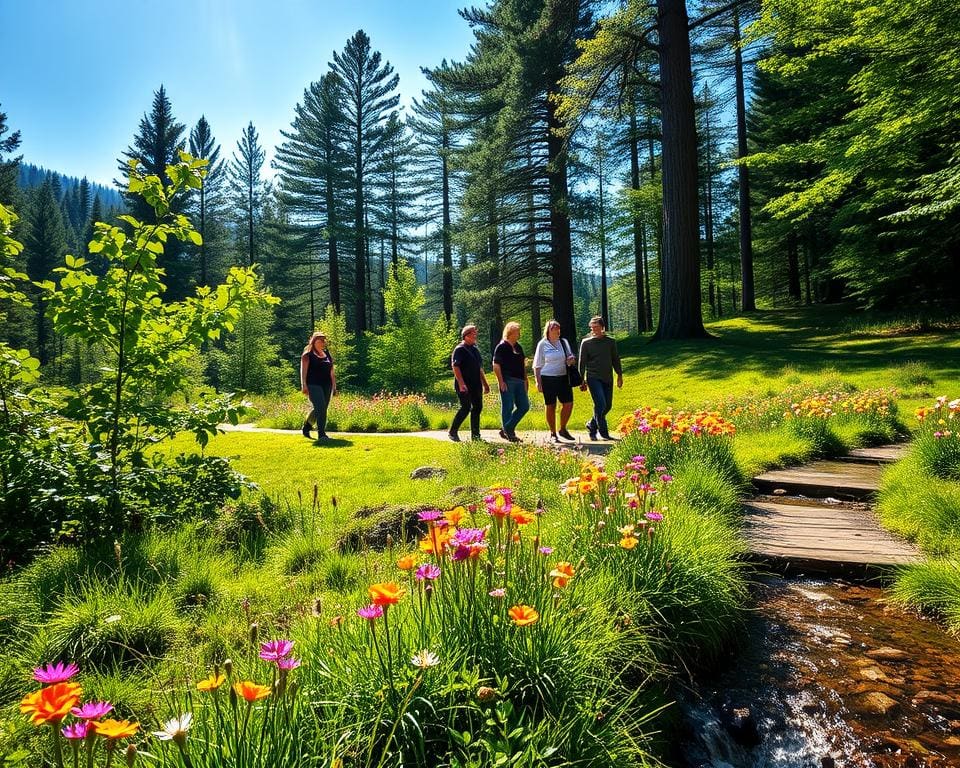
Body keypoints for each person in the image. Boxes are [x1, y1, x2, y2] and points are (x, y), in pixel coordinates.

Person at [578, 316, 623, 440]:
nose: (594, 330)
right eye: (592, 328)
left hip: (607, 377)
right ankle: (603, 433)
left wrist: (619, 375)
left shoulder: (610, 342)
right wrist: (581, 380)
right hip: (593, 377)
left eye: (596, 327)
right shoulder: (586, 343)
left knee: (607, 405)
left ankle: (591, 425)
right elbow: (582, 363)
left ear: (603, 327)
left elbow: (615, 359)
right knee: (600, 404)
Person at [533, 319, 577, 442]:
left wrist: (571, 359)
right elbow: (537, 365)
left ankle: (562, 429)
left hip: (563, 377)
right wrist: (538, 382)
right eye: (555, 328)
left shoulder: (563, 342)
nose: (558, 331)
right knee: (551, 405)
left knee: (568, 404)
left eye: (559, 328)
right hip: (548, 378)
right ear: (549, 330)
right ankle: (553, 433)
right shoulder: (542, 344)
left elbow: (570, 356)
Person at [449, 324, 490, 442]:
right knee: (466, 407)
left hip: (476, 384)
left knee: (477, 407)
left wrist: (485, 384)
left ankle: (476, 436)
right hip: (464, 385)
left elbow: (479, 368)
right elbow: (455, 366)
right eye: (473, 333)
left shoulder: (475, 350)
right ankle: (453, 431)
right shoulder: (460, 349)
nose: (475, 335)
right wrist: (461, 383)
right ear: (466, 335)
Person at [492, 321, 529, 442]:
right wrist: (501, 381)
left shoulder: (518, 347)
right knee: (507, 406)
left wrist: (525, 380)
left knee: (524, 406)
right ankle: (510, 433)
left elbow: (522, 365)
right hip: (507, 380)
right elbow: (496, 365)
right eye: (517, 331)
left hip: (519, 380)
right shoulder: (502, 346)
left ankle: (507, 428)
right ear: (510, 332)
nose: (519, 334)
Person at [300, 331, 336, 440]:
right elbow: (303, 370)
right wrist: (304, 385)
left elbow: (331, 371)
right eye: (320, 340)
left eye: (324, 341)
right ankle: (322, 434)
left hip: (327, 384)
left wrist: (334, 386)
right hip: (313, 384)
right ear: (314, 341)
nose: (322, 343)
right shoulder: (308, 354)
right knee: (320, 407)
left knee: (322, 408)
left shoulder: (327, 354)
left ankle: (307, 426)